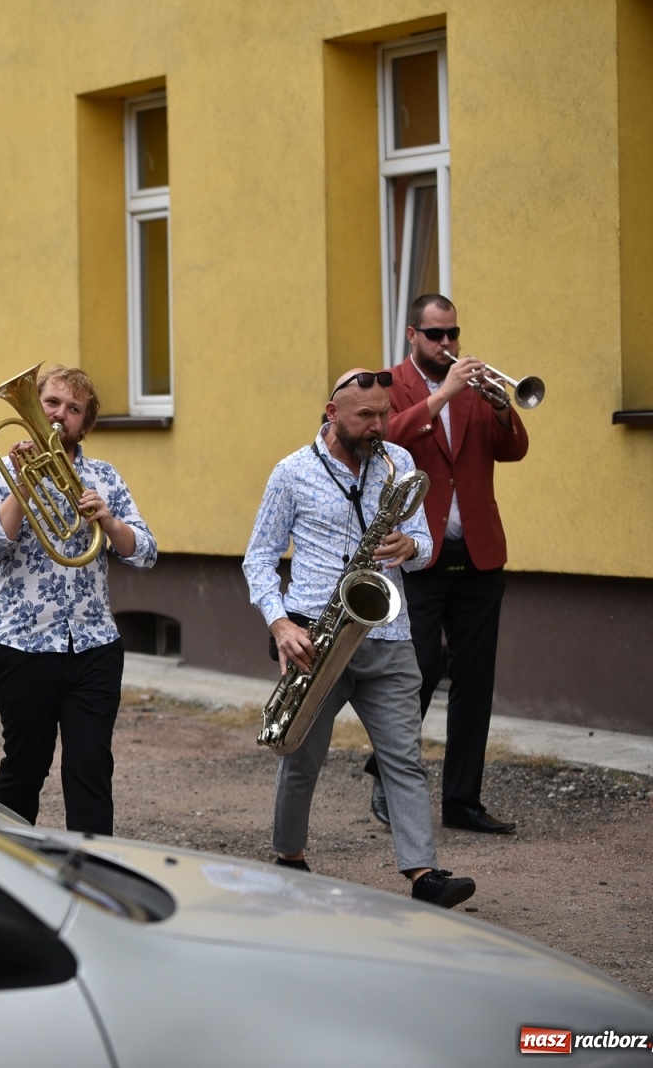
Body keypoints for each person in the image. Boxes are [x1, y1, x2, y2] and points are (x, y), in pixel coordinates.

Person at [242, 367, 476, 909]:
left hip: (387, 630)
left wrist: (410, 548)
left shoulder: (400, 463)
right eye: (365, 416)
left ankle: (424, 873)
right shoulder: (291, 472)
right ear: (333, 414)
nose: (378, 426)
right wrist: (279, 623)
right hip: (314, 635)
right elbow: (258, 558)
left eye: (384, 415)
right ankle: (289, 856)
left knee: (404, 756)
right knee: (302, 755)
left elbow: (423, 543)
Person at [362, 294, 531, 835]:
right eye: (435, 334)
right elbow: (380, 439)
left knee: (474, 680)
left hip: (477, 551)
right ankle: (387, 774)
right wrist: (442, 397)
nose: (447, 344)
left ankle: (463, 801)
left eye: (453, 333)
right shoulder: (388, 386)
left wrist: (502, 405)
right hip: (417, 555)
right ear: (412, 335)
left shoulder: (477, 386)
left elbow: (515, 449)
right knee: (416, 671)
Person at [0, 365, 156, 835]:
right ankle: (7, 866)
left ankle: (96, 874)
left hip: (94, 643)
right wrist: (22, 487)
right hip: (22, 644)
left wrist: (109, 523)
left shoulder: (103, 476)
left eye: (74, 409)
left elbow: (146, 553)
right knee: (25, 767)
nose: (59, 415)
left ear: (85, 421)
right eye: (51, 403)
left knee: (90, 767)